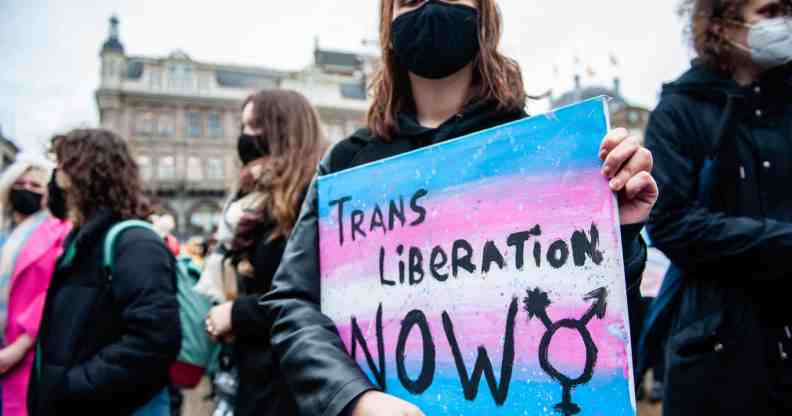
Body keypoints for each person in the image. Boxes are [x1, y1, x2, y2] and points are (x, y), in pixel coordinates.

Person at [242, 1, 659, 415]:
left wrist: (615, 230)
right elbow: (293, 301)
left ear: (485, 14)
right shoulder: (347, 164)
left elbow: (599, 324)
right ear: (388, 23)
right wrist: (352, 398)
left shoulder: (547, 155)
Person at [641, 0, 792, 414]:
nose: (784, 23)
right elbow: (671, 223)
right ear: (723, 26)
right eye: (770, 11)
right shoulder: (679, 112)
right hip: (716, 352)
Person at [28, 130, 181, 415]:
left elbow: (153, 341)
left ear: (83, 174)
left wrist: (73, 385)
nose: (54, 180)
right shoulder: (81, 241)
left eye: (60, 169)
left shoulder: (134, 243)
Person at [200, 89, 327, 416]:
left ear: (286, 129)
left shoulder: (311, 197)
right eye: (244, 127)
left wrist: (236, 314)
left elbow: (316, 296)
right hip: (250, 375)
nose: (246, 137)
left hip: (289, 382)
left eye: (256, 126)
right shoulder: (251, 201)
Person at [0, 154, 70, 416]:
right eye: (21, 184)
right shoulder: (3, 231)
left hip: (25, 351)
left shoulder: (59, 230)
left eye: (35, 185)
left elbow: (51, 291)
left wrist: (18, 348)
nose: (26, 190)